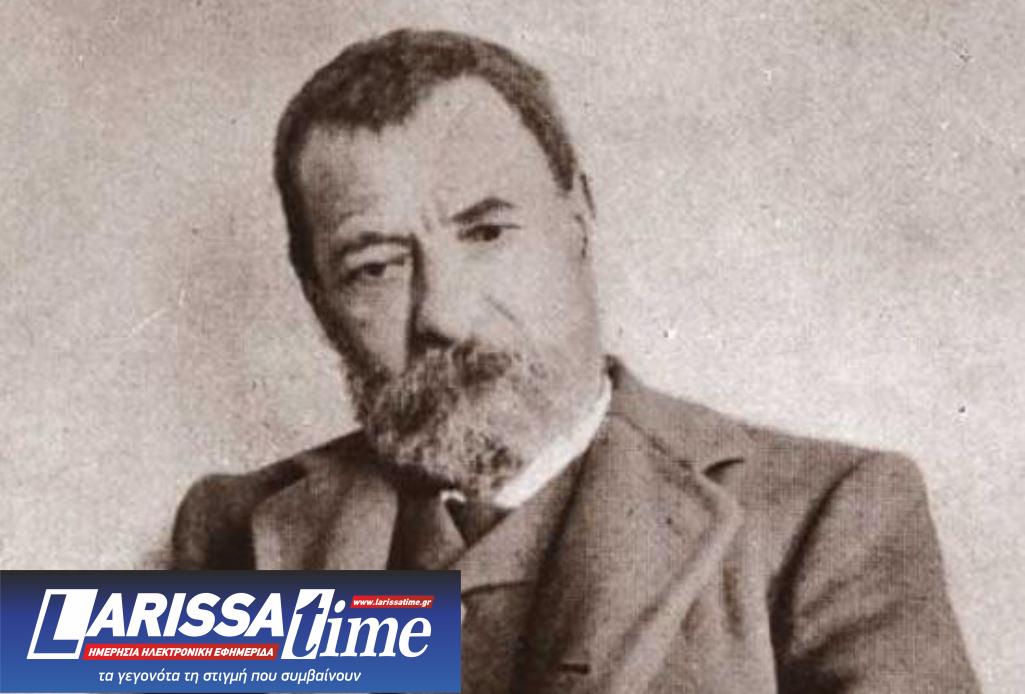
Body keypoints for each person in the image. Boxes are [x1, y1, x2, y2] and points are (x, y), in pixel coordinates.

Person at [172, 29, 979, 693]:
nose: (443, 314)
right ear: (317, 296)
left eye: (487, 233)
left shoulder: (823, 516)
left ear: (578, 222)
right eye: (377, 266)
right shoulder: (234, 530)